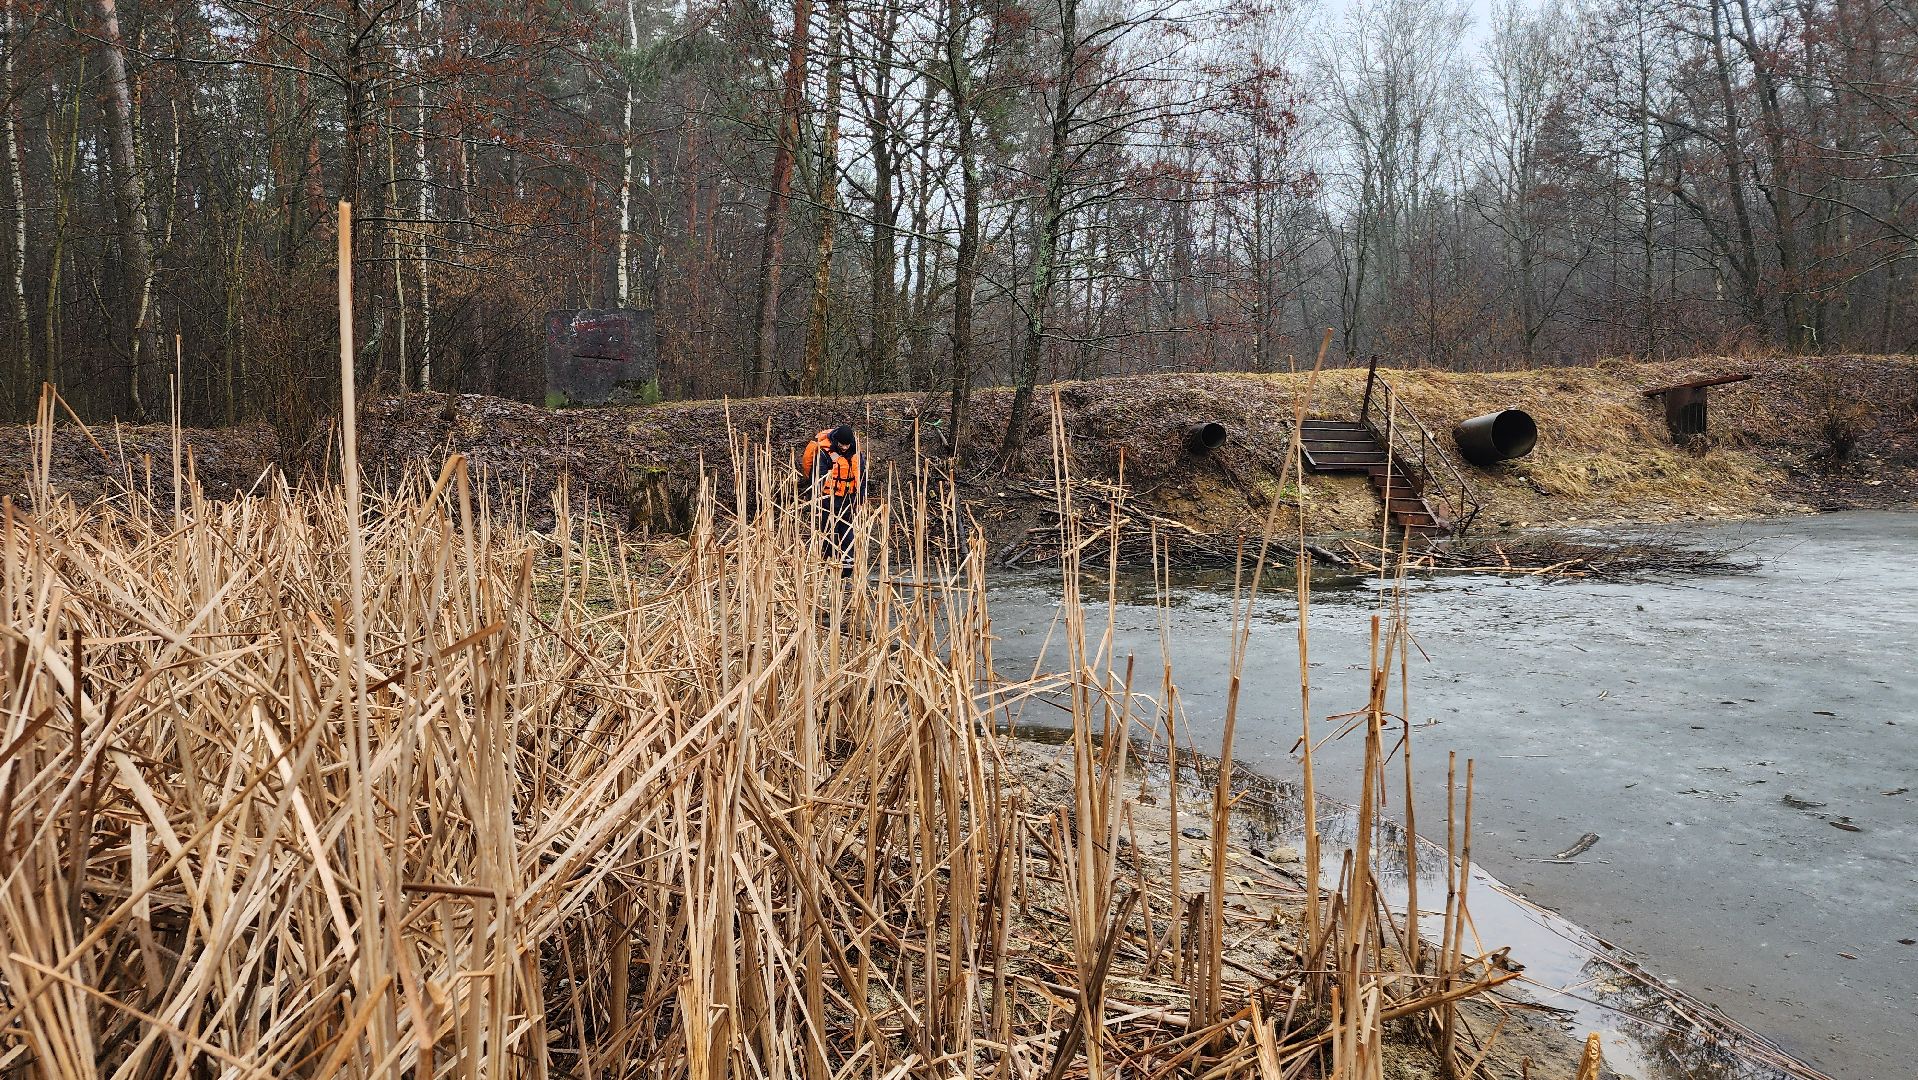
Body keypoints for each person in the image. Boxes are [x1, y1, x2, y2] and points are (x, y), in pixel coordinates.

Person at [800, 424, 864, 571]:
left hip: (848, 500)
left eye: (847, 445)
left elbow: (862, 477)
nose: (844, 448)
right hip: (827, 500)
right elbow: (817, 479)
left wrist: (860, 499)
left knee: (848, 535)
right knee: (829, 533)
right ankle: (829, 567)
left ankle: (848, 569)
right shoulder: (824, 454)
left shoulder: (856, 453)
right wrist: (814, 501)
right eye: (842, 445)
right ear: (836, 441)